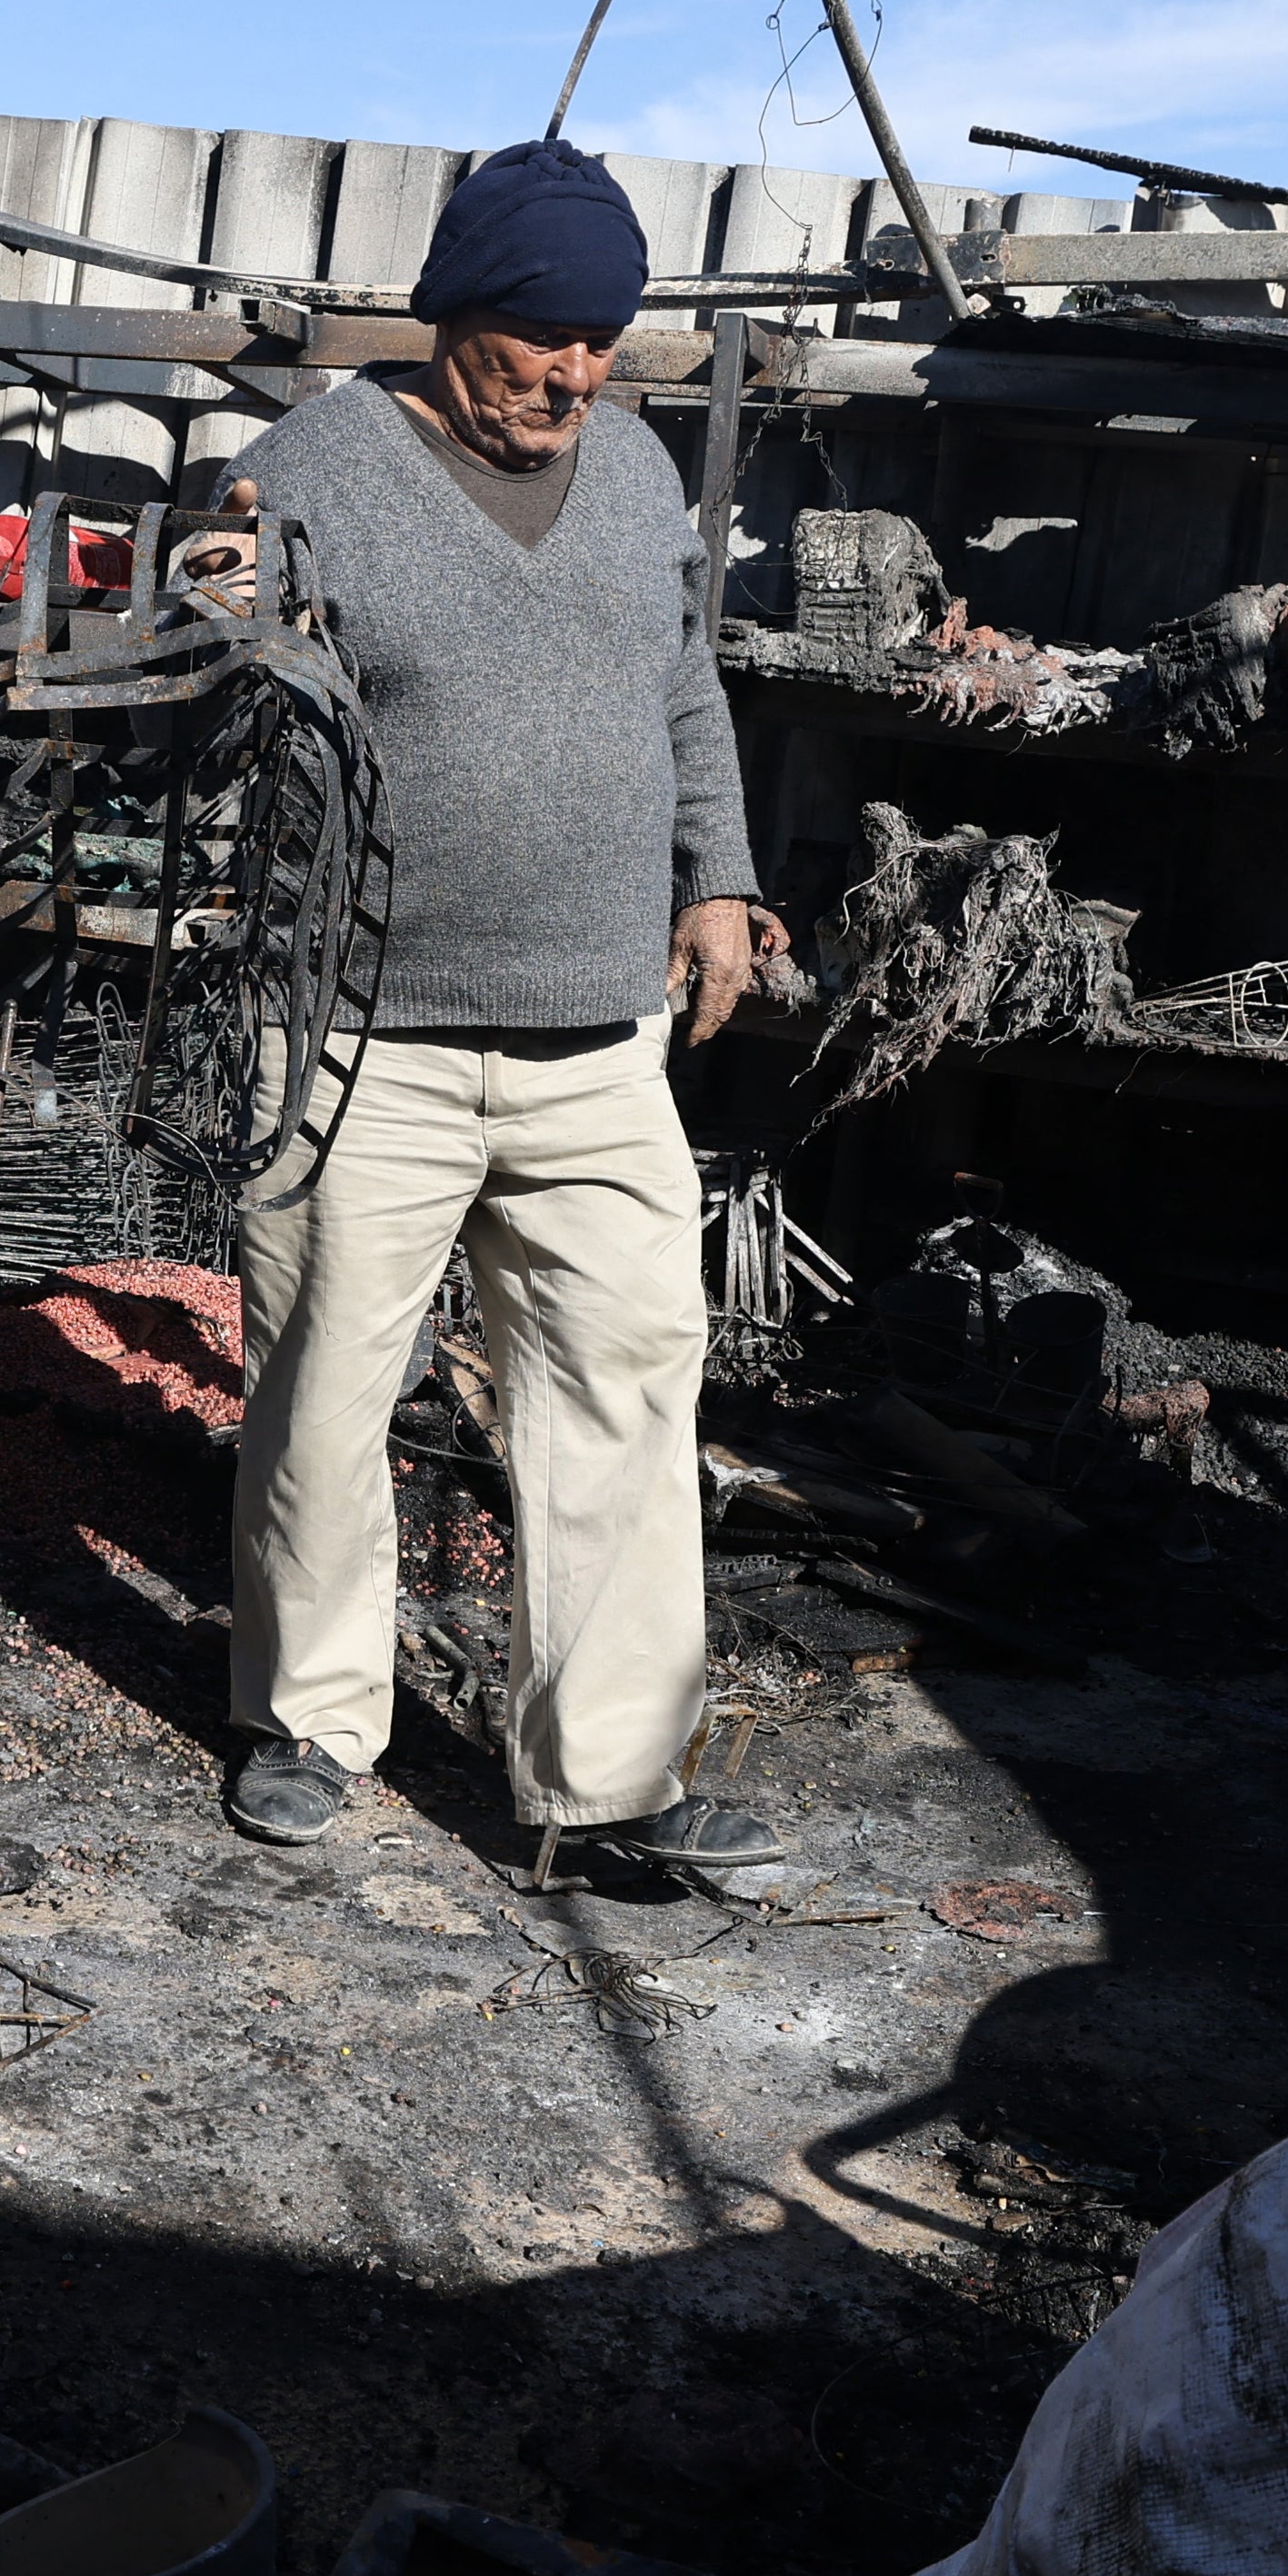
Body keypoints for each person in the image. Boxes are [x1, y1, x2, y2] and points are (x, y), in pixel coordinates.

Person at [210, 141, 789, 1889]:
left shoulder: (628, 471)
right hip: (359, 1033)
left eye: (603, 341)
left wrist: (716, 875)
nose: (577, 373)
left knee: (623, 1380)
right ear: (455, 314)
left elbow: (681, 680)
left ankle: (607, 1782)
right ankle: (308, 1716)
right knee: (325, 1384)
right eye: (543, 336)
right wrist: (205, 605)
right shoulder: (312, 464)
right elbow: (212, 667)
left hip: (598, 1039)